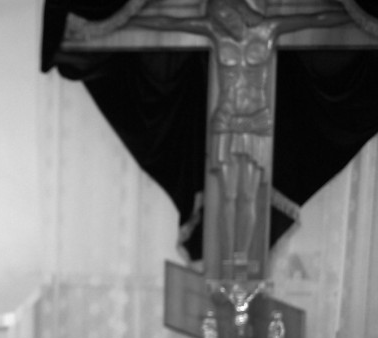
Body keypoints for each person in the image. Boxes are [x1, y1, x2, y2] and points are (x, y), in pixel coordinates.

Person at [125, 0, 351, 265]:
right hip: (226, 120)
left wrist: (357, 18)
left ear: (241, 10)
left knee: (249, 196)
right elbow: (170, 23)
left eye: (228, 16)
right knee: (228, 196)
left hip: (257, 122)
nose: (225, 23)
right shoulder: (215, 33)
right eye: (219, 19)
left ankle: (241, 258)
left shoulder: (269, 30)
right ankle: (227, 258)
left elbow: (316, 20)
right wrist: (126, 20)